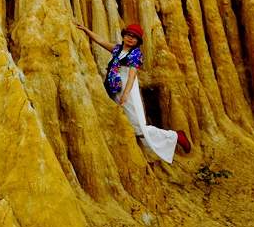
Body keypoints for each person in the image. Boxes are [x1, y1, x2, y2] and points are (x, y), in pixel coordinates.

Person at [75, 21, 191, 163]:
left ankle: (175, 136)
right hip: (113, 88)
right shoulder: (117, 49)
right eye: (128, 35)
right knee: (124, 122)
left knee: (138, 127)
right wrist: (86, 29)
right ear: (124, 36)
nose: (130, 38)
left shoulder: (135, 54)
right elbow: (101, 41)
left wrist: (126, 94)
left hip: (128, 90)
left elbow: (131, 76)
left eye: (134, 37)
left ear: (137, 41)